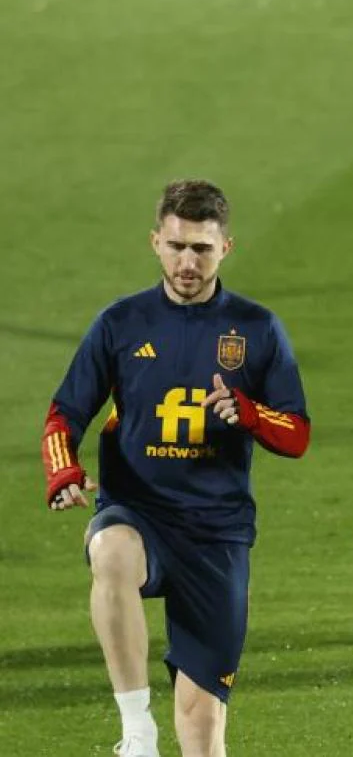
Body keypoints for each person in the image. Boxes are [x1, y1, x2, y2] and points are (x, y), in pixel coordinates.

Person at [41, 180, 311, 757]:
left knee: (202, 731)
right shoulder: (120, 324)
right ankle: (136, 731)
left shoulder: (257, 329)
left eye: (202, 250)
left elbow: (297, 434)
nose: (188, 262)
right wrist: (62, 472)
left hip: (217, 534)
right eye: (177, 246)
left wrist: (248, 413)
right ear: (155, 243)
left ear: (226, 248)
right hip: (140, 512)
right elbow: (65, 413)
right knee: (110, 551)